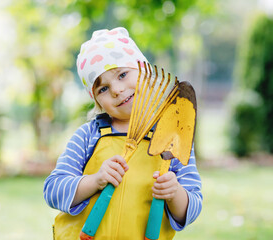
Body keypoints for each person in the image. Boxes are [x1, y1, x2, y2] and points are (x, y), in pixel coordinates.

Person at [43, 27, 202, 239]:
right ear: (97, 102)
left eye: (123, 74)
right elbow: (53, 190)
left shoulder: (172, 136)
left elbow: (192, 208)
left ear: (145, 72)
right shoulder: (88, 136)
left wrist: (174, 193)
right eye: (103, 89)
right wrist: (96, 180)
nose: (116, 89)